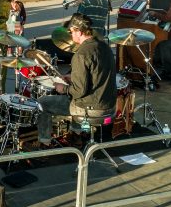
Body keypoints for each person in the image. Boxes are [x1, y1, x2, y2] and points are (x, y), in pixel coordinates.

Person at [36, 14, 116, 146]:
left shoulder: (81, 54)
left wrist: (63, 88)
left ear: (79, 31)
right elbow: (96, 75)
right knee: (76, 99)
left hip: (92, 109)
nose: (70, 35)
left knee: (42, 103)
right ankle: (77, 134)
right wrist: (72, 77)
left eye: (71, 32)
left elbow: (79, 91)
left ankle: (44, 143)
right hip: (109, 106)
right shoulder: (104, 47)